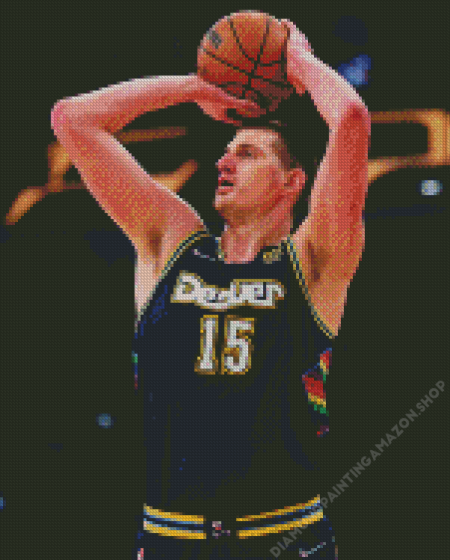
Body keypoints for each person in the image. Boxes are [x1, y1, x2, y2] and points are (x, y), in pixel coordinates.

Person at [51, 18, 369, 559]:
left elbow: (351, 118)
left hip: (284, 536)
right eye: (226, 151)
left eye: (248, 154)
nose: (225, 161)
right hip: (172, 537)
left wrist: (298, 61)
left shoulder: (312, 261)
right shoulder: (171, 242)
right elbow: (73, 119)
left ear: (292, 182)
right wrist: (197, 88)